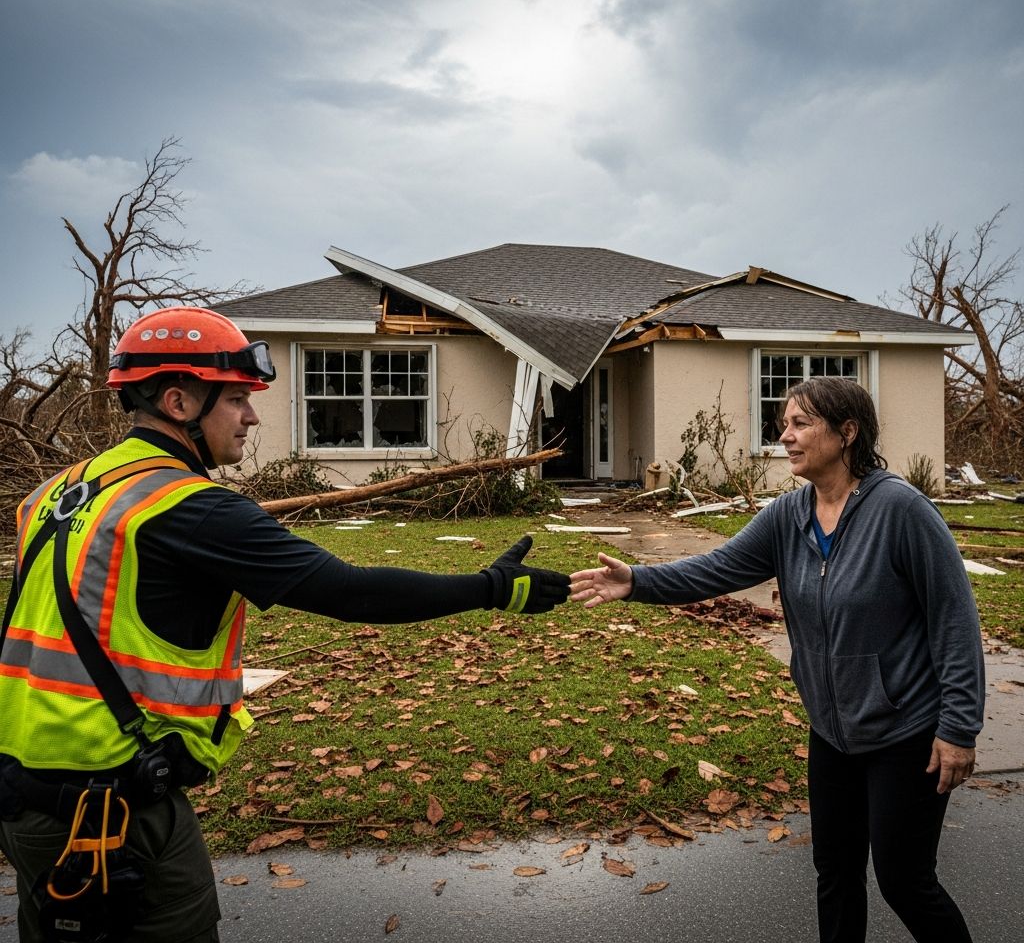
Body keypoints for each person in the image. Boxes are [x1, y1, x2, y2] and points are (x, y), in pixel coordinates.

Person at [0, 306, 570, 943]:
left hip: (26, 800)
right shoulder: (190, 509)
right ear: (178, 401)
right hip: (112, 813)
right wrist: (492, 588)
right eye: (238, 399)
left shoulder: (55, 492)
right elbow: (347, 590)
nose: (251, 416)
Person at [570, 377, 984, 943]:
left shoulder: (901, 511)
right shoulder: (790, 515)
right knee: (834, 874)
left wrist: (959, 727)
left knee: (904, 880)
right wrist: (636, 580)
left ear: (848, 432)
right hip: (832, 733)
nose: (784, 436)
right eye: (782, 423)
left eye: (799, 424)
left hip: (905, 733)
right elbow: (713, 569)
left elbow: (954, 619)